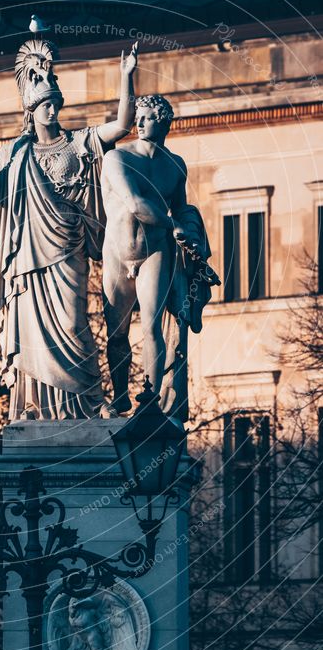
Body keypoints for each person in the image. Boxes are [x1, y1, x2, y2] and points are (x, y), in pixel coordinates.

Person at [0, 30, 138, 420]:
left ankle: (87, 400)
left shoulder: (79, 142)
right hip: (28, 261)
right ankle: (34, 404)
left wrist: (127, 76)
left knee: (75, 326)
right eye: (44, 106)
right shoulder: (15, 154)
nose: (51, 111)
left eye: (54, 103)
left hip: (68, 251)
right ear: (31, 109)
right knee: (32, 334)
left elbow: (123, 124)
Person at [101, 94, 219, 418]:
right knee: (118, 332)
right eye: (137, 116)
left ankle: (150, 398)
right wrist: (173, 223)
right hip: (116, 254)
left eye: (146, 117)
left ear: (163, 121)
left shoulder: (175, 166)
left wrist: (190, 228)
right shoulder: (117, 159)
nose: (137, 123)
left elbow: (181, 206)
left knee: (152, 325)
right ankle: (121, 394)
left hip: (154, 251)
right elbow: (135, 202)